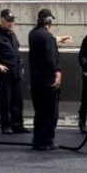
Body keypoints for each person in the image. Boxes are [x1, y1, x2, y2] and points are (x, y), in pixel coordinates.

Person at [29, 9, 72, 151]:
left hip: (36, 80)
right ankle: (47, 140)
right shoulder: (46, 37)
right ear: (49, 22)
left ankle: (38, 140)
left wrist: (57, 39)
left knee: (39, 111)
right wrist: (57, 72)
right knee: (50, 112)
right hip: (48, 80)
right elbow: (50, 57)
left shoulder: (33, 34)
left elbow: (46, 41)